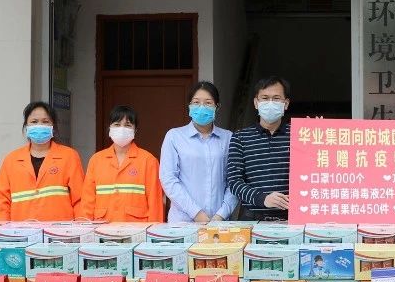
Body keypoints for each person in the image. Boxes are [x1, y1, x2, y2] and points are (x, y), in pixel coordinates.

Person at [159, 81, 239, 223]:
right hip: (183, 222)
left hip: (219, 223)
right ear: (189, 106)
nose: (201, 107)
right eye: (196, 102)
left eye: (208, 103)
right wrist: (196, 213)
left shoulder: (228, 138)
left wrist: (221, 215)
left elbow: (234, 180)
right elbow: (168, 179)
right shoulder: (174, 136)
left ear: (217, 107)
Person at [0, 101, 84, 221]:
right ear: (26, 126)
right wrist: (2, 229)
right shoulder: (12, 160)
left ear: (53, 126)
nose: (39, 125)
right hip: (21, 229)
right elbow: (2, 201)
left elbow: (80, 199)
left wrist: (80, 227)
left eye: (45, 121)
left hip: (59, 229)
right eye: (34, 122)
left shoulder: (69, 156)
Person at [80, 105, 164, 223]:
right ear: (109, 128)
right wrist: (85, 229)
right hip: (102, 229)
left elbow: (155, 203)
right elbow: (87, 201)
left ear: (135, 130)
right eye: (117, 124)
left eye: (127, 125)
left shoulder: (148, 160)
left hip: (137, 230)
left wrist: (153, 231)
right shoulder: (96, 160)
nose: (122, 129)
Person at [226, 75, 292, 221]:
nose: (270, 103)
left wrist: (316, 134)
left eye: (276, 98)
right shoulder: (240, 137)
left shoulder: (299, 135)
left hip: (292, 219)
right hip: (252, 219)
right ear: (256, 103)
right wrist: (263, 199)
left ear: (286, 103)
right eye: (265, 98)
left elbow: (317, 171)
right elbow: (234, 181)